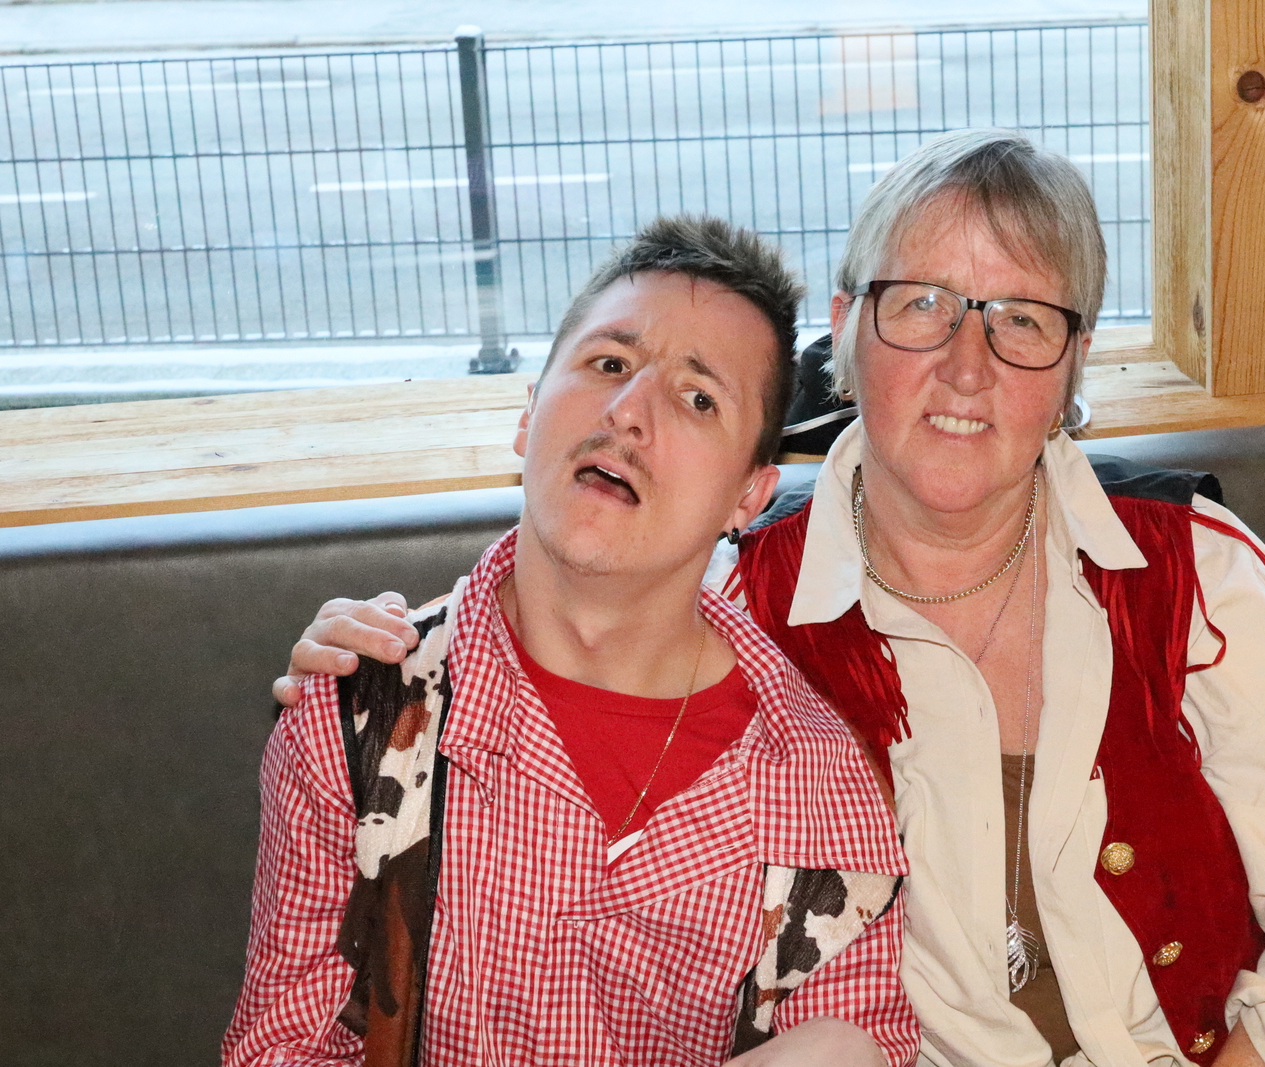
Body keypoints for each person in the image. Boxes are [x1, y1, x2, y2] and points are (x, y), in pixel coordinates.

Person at [276, 131, 1265, 1067]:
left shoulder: (1196, 574)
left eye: (1022, 319)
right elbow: (583, 584)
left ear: (1073, 366)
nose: (967, 364)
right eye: (921, 304)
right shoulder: (747, 607)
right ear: (847, 328)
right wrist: (374, 659)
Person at [226, 216, 918, 1067]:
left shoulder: (819, 789)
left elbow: (870, 1037)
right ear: (529, 414)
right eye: (610, 364)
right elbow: (281, 1048)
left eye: (699, 398)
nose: (630, 413)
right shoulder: (358, 716)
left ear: (749, 494)